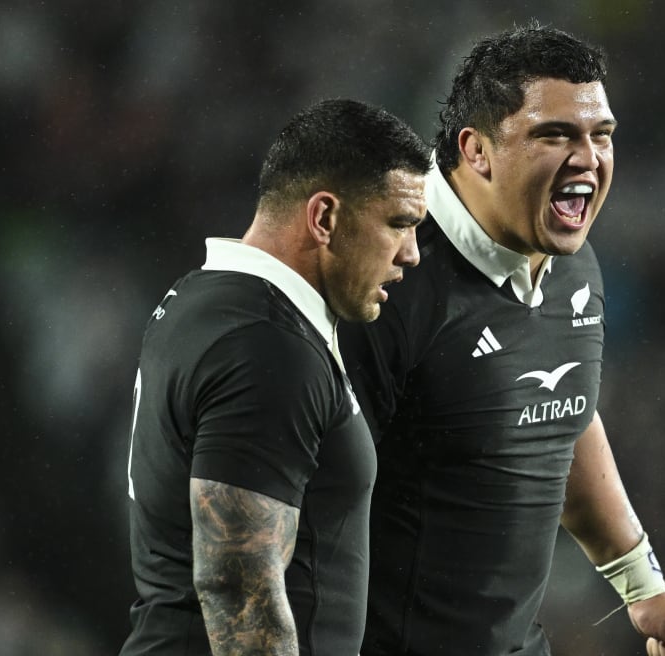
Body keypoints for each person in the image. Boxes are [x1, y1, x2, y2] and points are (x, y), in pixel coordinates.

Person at [338, 23, 665, 656]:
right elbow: (305, 497)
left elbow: (561, 411)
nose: (588, 159)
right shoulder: (383, 280)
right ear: (476, 150)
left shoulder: (573, 264)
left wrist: (644, 586)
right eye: (555, 135)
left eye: (602, 136)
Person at [119, 98, 431, 656]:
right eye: (398, 224)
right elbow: (237, 588)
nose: (410, 254)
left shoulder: (206, 298)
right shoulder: (269, 345)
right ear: (324, 218)